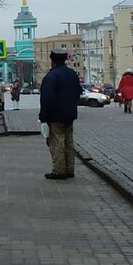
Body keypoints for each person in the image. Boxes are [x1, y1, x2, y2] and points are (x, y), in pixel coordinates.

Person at [39, 45, 80, 180]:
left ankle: (59, 171)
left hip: (55, 116)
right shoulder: (72, 74)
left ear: (52, 60)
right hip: (70, 114)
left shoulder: (51, 76)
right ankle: (70, 169)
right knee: (68, 142)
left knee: (57, 142)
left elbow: (47, 98)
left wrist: (43, 117)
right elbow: (78, 92)